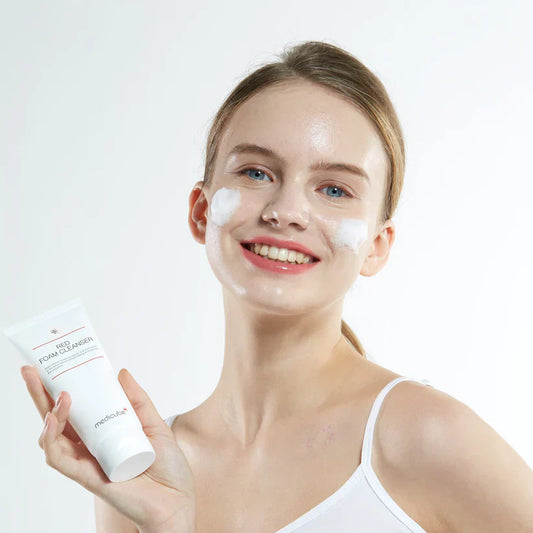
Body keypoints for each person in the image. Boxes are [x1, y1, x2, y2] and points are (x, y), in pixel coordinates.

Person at [21, 41, 532, 533]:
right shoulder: (142, 464)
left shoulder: (425, 437)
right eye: (256, 172)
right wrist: (167, 525)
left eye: (334, 189)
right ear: (201, 212)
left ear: (377, 246)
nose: (286, 211)